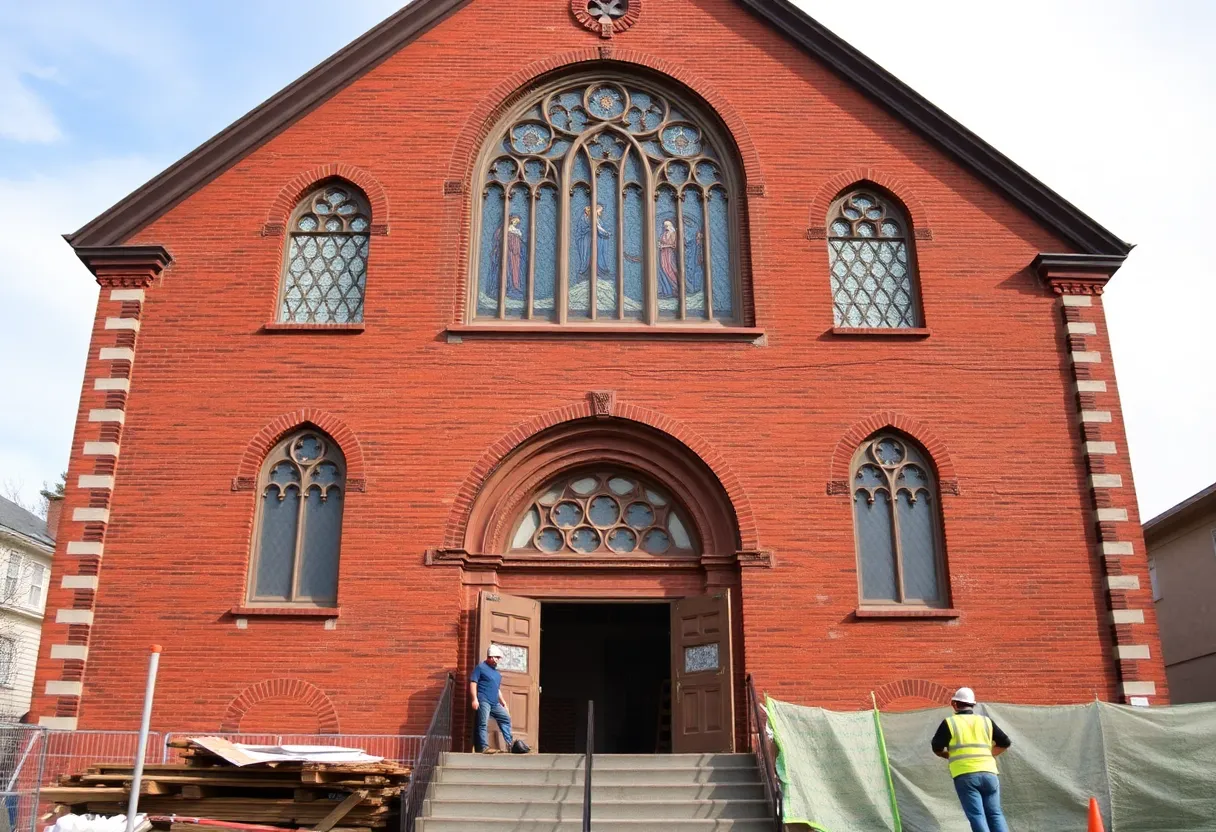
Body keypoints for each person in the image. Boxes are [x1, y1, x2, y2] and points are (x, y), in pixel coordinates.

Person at [931, 687, 1012, 832]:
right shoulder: (986, 721)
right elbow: (1005, 742)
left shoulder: (950, 723)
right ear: (973, 705)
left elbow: (936, 747)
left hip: (965, 774)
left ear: (954, 704)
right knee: (995, 813)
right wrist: (987, 754)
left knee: (977, 815)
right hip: (989, 773)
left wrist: (948, 755)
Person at [470, 645, 512, 753]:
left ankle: (510, 744)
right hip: (483, 700)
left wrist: (503, 702)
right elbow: (473, 683)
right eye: (497, 657)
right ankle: (484, 747)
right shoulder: (480, 668)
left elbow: (497, 689)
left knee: (505, 718)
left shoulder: (497, 674)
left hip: (494, 703)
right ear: (491, 657)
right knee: (483, 723)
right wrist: (474, 699)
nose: (498, 660)